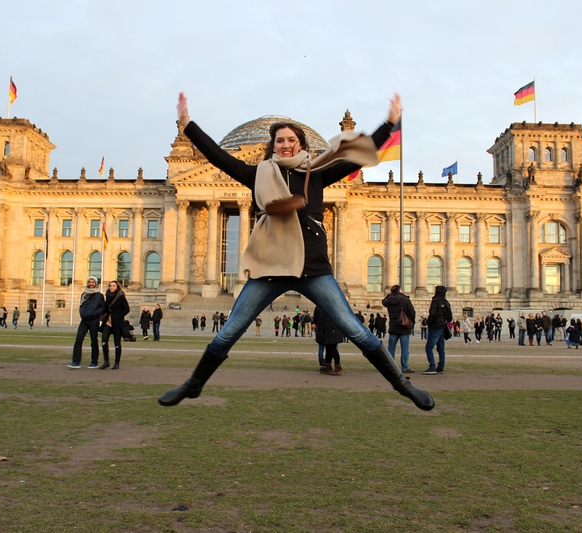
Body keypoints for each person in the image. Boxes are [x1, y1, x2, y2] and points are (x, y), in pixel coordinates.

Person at [157, 92, 433, 411]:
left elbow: (358, 155)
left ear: (300, 144)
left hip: (312, 270)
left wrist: (389, 123)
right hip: (270, 269)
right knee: (229, 330)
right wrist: (187, 124)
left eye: (291, 139)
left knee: (356, 331)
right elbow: (217, 157)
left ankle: (403, 385)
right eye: (279, 140)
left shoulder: (316, 173)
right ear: (272, 146)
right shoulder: (256, 174)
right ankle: (192, 386)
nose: (285, 144)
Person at [68, 276, 106, 369]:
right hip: (84, 320)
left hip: (93, 320)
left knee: (94, 341)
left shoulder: (99, 295)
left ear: (96, 284)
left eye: (93, 282)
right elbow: (81, 305)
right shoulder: (84, 294)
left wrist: (94, 314)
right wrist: (82, 313)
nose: (91, 284)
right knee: (78, 340)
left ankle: (94, 362)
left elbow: (103, 308)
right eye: (90, 282)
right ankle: (76, 362)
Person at [382, 284, 416, 374]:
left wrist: (389, 294)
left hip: (393, 326)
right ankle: (405, 367)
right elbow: (412, 312)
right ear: (400, 290)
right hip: (404, 327)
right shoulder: (405, 299)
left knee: (391, 348)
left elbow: (383, 302)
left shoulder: (389, 300)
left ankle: (391, 367)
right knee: (405, 348)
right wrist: (412, 322)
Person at [422, 286, 452, 375]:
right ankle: (441, 367)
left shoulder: (435, 301)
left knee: (429, 347)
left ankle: (432, 366)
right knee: (441, 348)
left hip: (435, 327)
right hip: (442, 327)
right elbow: (450, 317)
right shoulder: (446, 302)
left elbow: (433, 314)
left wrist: (427, 321)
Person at [100, 280, 130, 369]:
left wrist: (118, 316)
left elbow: (127, 309)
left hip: (117, 323)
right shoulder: (108, 296)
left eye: (113, 286)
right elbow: (106, 308)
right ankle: (106, 361)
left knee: (117, 343)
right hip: (108, 322)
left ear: (117, 287)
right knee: (104, 341)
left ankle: (117, 362)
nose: (111, 287)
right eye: (110, 286)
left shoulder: (121, 297)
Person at [314, 306, 344, 375]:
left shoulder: (330, 306)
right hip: (325, 331)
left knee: (332, 348)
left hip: (332, 330)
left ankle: (338, 366)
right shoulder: (320, 306)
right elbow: (316, 320)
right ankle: (328, 366)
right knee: (328, 348)